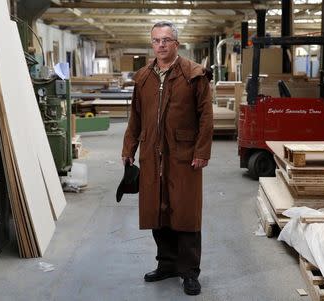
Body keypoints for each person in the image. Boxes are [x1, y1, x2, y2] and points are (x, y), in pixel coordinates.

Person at [121, 21, 213, 296]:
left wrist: (201, 152)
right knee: (156, 211)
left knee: (185, 214)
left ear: (177, 43)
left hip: (184, 155)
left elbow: (206, 117)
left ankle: (189, 272)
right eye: (156, 41)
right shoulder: (144, 77)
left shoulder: (194, 75)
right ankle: (167, 264)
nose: (161, 45)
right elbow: (135, 117)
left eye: (166, 40)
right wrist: (129, 149)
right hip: (152, 154)